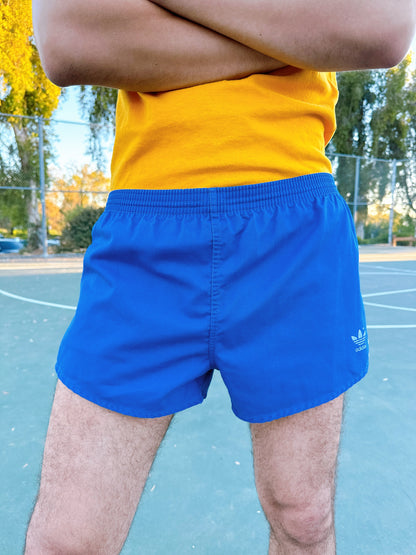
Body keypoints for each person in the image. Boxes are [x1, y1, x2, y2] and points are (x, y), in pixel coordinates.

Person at [27, 1, 415, 554]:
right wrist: (292, 39)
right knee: (66, 541)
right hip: (146, 228)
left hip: (293, 225)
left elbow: (383, 29)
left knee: (303, 522)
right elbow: (67, 42)